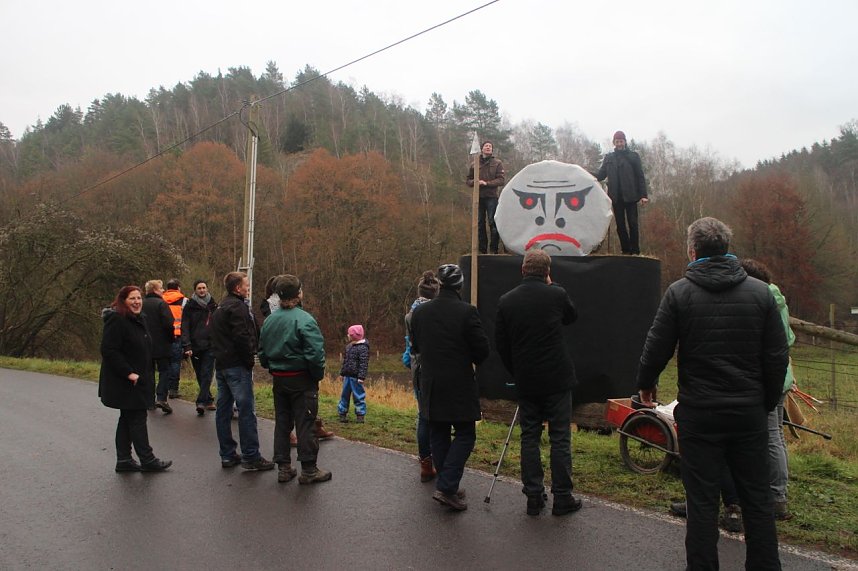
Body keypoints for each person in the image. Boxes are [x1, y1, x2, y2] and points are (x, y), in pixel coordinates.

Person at [636, 217, 788, 570]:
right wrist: (765, 402)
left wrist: (645, 384)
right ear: (727, 248)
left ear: (692, 251)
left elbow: (655, 348)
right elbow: (777, 357)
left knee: (702, 502)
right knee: (757, 499)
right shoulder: (761, 294)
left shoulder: (679, 293)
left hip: (700, 413)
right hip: (748, 412)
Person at [495, 250, 582, 516]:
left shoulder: (507, 301)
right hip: (557, 378)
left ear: (523, 270)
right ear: (547, 272)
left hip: (527, 378)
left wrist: (516, 371)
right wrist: (552, 285)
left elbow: (501, 345)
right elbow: (571, 317)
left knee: (529, 436)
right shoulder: (556, 294)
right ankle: (562, 497)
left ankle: (533, 495)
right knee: (560, 437)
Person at [410, 264, 490, 511]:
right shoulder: (467, 312)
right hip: (459, 382)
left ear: (441, 284)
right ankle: (446, 487)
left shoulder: (420, 313)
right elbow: (482, 351)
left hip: (430, 382)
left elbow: (416, 347)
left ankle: (448, 484)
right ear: (460, 285)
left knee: (438, 433)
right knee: (465, 434)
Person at [257, 274, 332, 484]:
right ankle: (309, 470)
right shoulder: (305, 319)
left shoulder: (270, 320)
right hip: (301, 379)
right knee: (305, 423)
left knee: (282, 422)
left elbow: (262, 352)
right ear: (298, 294)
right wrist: (316, 375)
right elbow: (315, 354)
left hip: (279, 379)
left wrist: (272, 367)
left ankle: (284, 468)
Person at [741, 258, 795, 521]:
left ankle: (776, 496)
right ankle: (778, 489)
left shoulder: (764, 299)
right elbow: (790, 338)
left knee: (771, 435)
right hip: (782, 375)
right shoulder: (778, 297)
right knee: (777, 435)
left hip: (769, 377)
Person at [99, 285, 172, 473]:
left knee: (127, 418)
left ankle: (124, 459)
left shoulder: (139, 318)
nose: (137, 302)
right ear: (123, 301)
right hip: (126, 380)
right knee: (138, 418)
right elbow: (109, 350)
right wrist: (128, 372)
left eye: (139, 298)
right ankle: (148, 459)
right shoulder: (117, 320)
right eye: (132, 298)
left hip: (139, 378)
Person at [210, 271, 274, 471]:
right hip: (237, 366)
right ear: (238, 288)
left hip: (221, 365)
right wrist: (249, 360)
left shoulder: (220, 307)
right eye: (246, 285)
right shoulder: (238, 308)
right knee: (246, 411)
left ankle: (227, 455)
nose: (248, 288)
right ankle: (251, 456)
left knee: (223, 411)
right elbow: (242, 337)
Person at [404, 270, 441, 482]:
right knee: (437, 417)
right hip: (434, 369)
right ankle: (439, 459)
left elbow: (408, 347)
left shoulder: (410, 314)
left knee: (423, 415)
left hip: (417, 370)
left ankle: (425, 462)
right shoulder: (435, 314)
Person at [594, 131, 649, 255]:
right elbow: (601, 175)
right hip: (616, 197)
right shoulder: (609, 158)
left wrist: (643, 195)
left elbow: (640, 176)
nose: (619, 144)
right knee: (620, 225)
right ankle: (626, 250)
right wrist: (586, 173)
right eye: (617, 141)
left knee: (633, 223)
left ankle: (635, 251)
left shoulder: (633, 156)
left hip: (631, 196)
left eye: (621, 141)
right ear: (614, 143)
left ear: (625, 142)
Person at [181, 279, 218, 416]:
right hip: (195, 345)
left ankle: (201, 401)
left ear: (207, 289)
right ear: (195, 290)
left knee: (207, 373)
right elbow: (185, 326)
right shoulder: (189, 306)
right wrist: (187, 345)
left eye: (204, 288)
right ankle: (208, 399)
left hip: (210, 345)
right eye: (199, 288)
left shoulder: (213, 305)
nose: (202, 290)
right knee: (200, 374)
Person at [466, 140, 506, 255]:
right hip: (478, 197)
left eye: (490, 146)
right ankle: (482, 250)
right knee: (479, 223)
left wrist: (486, 183)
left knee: (493, 222)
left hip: (491, 196)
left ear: (492, 150)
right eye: (486, 146)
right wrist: (475, 182)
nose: (488, 147)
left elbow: (501, 180)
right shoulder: (474, 164)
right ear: (482, 148)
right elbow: (468, 180)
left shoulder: (497, 163)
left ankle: (494, 249)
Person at [142, 280, 176, 414]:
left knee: (149, 372)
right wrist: (171, 339)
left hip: (145, 344)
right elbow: (169, 324)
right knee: (165, 371)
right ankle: (161, 398)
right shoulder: (162, 304)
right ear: (155, 290)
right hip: (162, 344)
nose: (163, 290)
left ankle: (149, 400)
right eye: (161, 288)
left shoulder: (141, 304)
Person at [337, 325, 370, 423]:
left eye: (349, 334)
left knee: (358, 396)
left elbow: (364, 363)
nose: (348, 335)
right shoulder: (349, 347)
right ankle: (342, 412)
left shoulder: (363, 348)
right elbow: (345, 361)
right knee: (344, 395)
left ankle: (360, 414)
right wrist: (342, 373)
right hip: (347, 376)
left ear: (354, 336)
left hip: (356, 378)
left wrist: (361, 377)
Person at [162, 279, 187, 399]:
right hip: (178, 335)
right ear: (178, 287)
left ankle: (163, 387)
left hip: (163, 336)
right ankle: (173, 389)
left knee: (164, 363)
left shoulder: (161, 299)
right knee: (175, 363)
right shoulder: (184, 301)